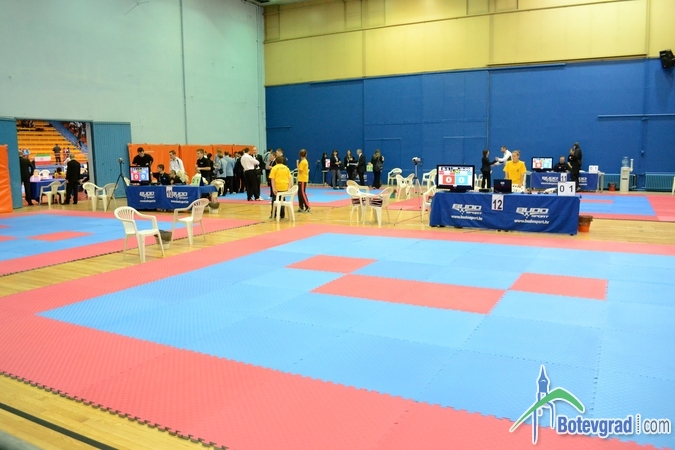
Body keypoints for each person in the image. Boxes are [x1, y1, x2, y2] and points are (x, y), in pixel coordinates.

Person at [269, 155, 292, 219]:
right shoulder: (286, 168)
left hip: (277, 187)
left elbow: (272, 179)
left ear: (276, 161)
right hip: (285, 187)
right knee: (282, 200)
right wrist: (289, 187)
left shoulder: (274, 168)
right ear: (282, 161)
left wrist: (273, 188)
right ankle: (282, 214)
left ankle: (273, 214)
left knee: (274, 200)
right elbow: (289, 178)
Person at [297, 149, 311, 213]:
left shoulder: (303, 162)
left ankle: (307, 206)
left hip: (302, 179)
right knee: (300, 193)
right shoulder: (303, 161)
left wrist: (297, 164)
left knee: (302, 193)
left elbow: (300, 170)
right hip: (301, 179)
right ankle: (301, 207)